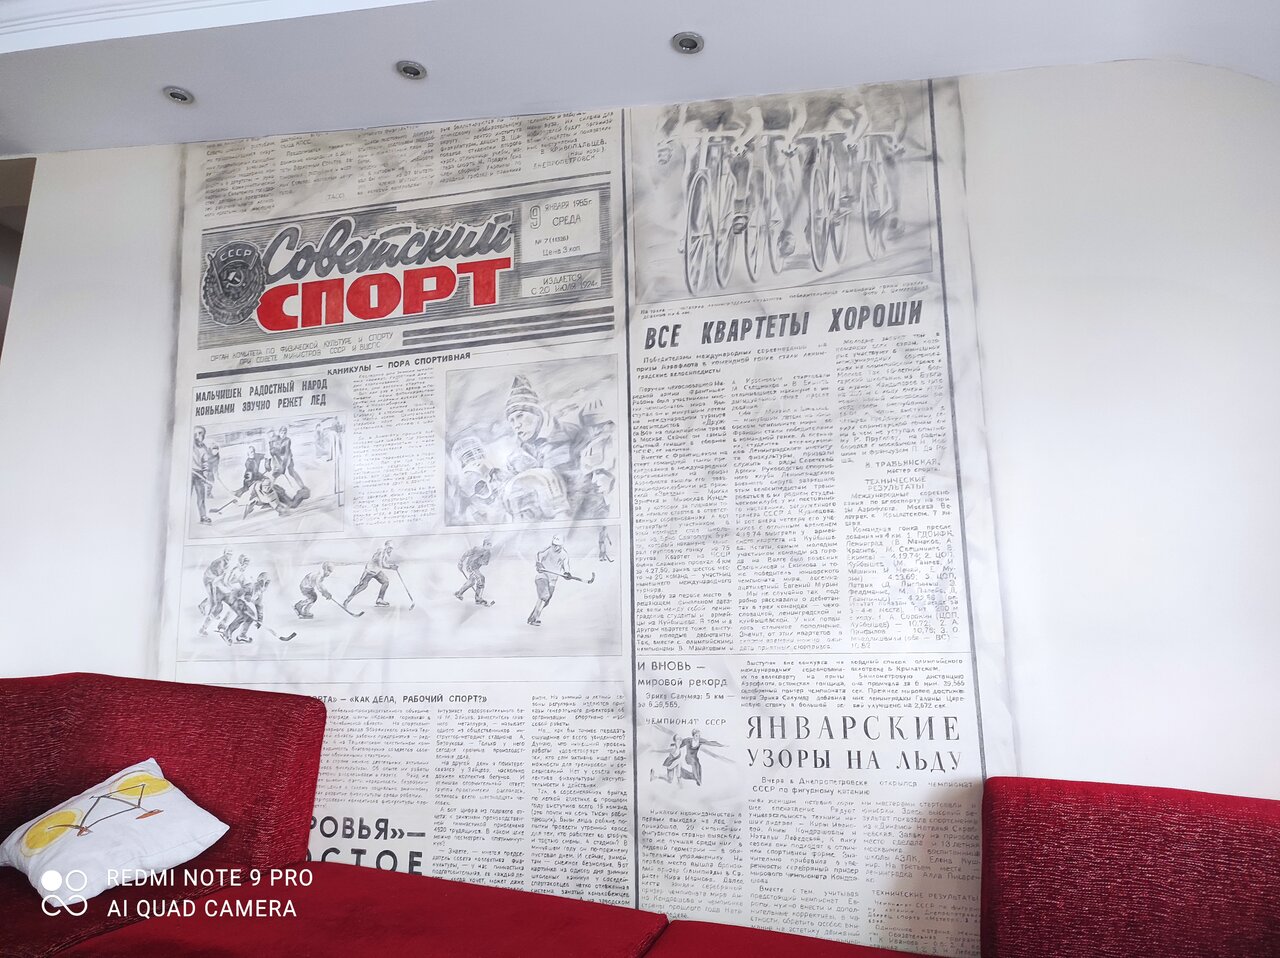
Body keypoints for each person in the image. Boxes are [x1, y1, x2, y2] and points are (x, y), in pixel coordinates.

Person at [527, 535, 569, 627]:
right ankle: (535, 618)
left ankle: (532, 617)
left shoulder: (564, 555)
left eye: (557, 545)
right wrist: (538, 563)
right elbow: (538, 555)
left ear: (561, 546)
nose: (555, 547)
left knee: (546, 600)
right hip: (542, 576)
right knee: (545, 596)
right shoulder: (548, 550)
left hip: (553, 580)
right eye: (553, 544)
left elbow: (566, 565)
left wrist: (567, 573)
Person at [345, 541, 397, 609]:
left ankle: (379, 599)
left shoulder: (386, 554)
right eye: (389, 547)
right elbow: (382, 564)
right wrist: (391, 567)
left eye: (391, 548)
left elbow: (382, 564)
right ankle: (347, 600)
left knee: (386, 581)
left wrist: (392, 566)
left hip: (377, 571)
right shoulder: (380, 552)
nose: (390, 549)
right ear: (386, 546)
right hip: (369, 571)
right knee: (362, 586)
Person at [222, 571, 270, 644]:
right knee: (243, 615)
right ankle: (227, 632)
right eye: (262, 582)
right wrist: (247, 596)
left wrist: (260, 619)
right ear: (258, 580)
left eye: (266, 583)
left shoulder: (260, 593)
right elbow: (240, 593)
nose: (263, 585)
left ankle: (242, 635)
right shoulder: (251, 586)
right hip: (234, 599)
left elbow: (259, 605)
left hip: (242, 603)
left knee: (251, 616)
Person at [454, 537, 494, 606]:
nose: (489, 546)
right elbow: (466, 553)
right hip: (471, 567)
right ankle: (478, 599)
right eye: (488, 544)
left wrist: (483, 558)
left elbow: (484, 563)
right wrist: (460, 562)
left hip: (476, 567)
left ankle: (459, 593)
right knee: (481, 578)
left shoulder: (488, 553)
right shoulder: (477, 549)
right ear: (484, 544)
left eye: (490, 545)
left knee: (471, 582)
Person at [191, 427, 216, 525]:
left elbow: (206, 462)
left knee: (201, 497)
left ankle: (203, 516)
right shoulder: (189, 445)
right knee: (186, 496)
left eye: (201, 433)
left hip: (199, 474)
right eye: (196, 433)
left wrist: (205, 474)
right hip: (188, 474)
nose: (198, 436)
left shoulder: (204, 448)